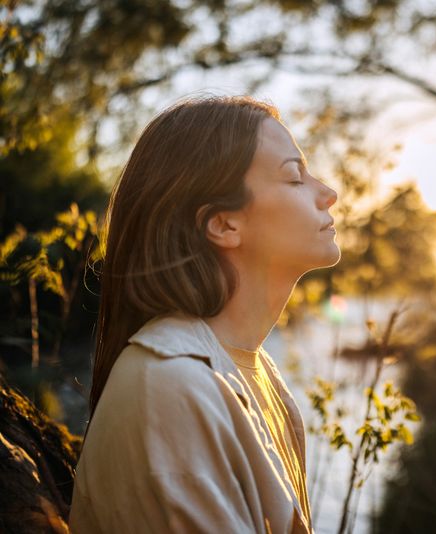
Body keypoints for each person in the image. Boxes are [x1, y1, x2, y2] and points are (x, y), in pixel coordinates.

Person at [68, 95, 339, 534]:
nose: (328, 194)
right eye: (294, 177)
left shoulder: (252, 372)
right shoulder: (169, 385)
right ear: (224, 225)